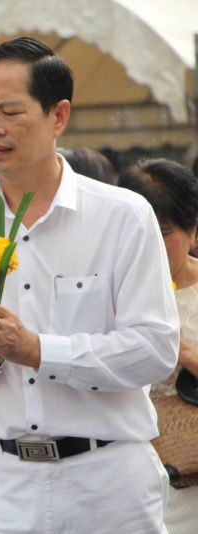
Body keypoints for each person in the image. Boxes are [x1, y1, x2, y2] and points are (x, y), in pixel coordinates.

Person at [0, 37, 178, 533]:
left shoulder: (122, 217)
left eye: (10, 111)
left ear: (58, 116)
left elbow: (154, 350)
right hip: (1, 486)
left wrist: (37, 349)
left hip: (108, 485)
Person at [118, 158, 198, 532]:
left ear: (193, 229)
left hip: (190, 476)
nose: (149, 243)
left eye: (163, 231)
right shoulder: (108, 290)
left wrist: (183, 353)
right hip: (124, 472)